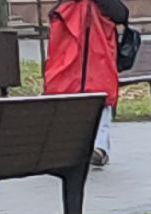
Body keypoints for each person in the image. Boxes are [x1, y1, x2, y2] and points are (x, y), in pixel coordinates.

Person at [44, 0, 128, 167]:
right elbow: (121, 15)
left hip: (87, 66)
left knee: (101, 103)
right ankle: (96, 147)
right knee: (100, 103)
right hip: (91, 65)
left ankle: (98, 147)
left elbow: (121, 15)